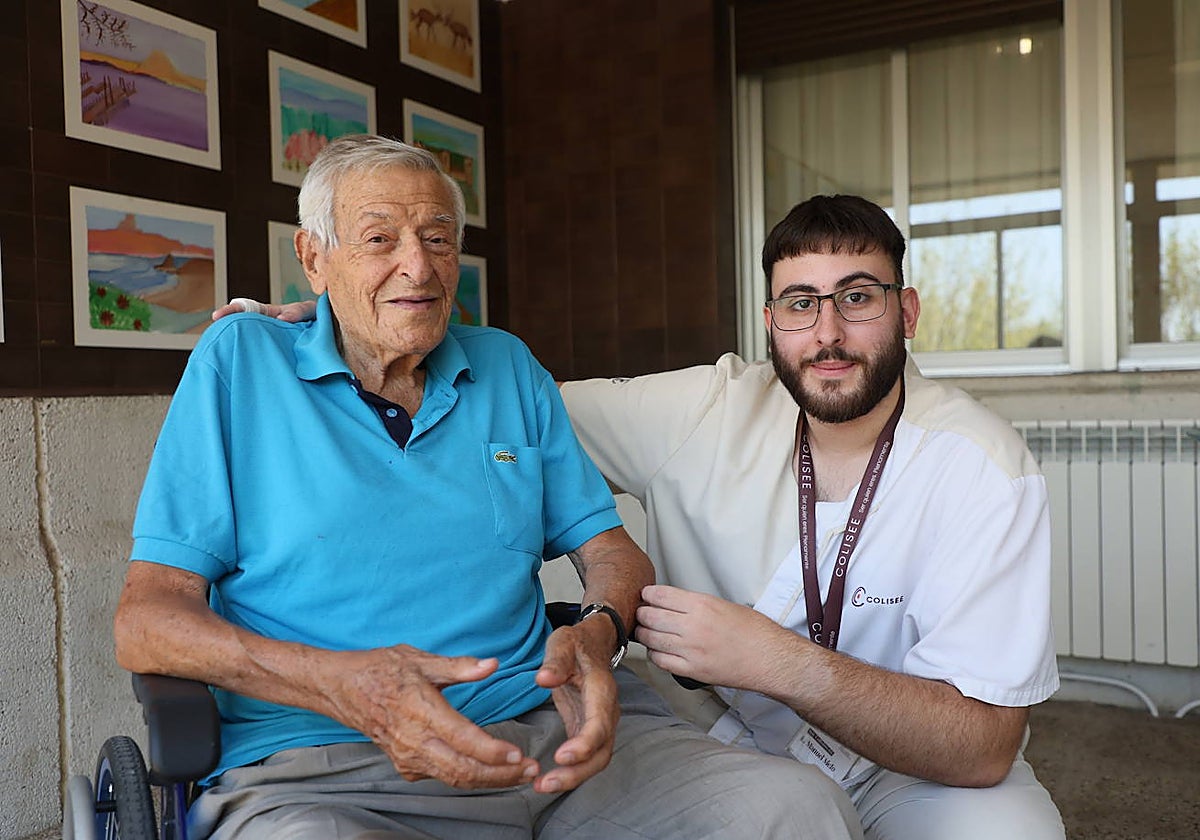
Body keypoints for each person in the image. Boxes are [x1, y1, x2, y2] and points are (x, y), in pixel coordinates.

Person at [116, 135, 862, 840]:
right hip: (328, 767)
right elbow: (147, 622)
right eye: (379, 240)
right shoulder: (243, 363)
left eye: (438, 239)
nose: (419, 267)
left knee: (797, 810)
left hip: (554, 739)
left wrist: (598, 635)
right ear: (315, 259)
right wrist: (343, 685)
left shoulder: (505, 366)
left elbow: (613, 556)